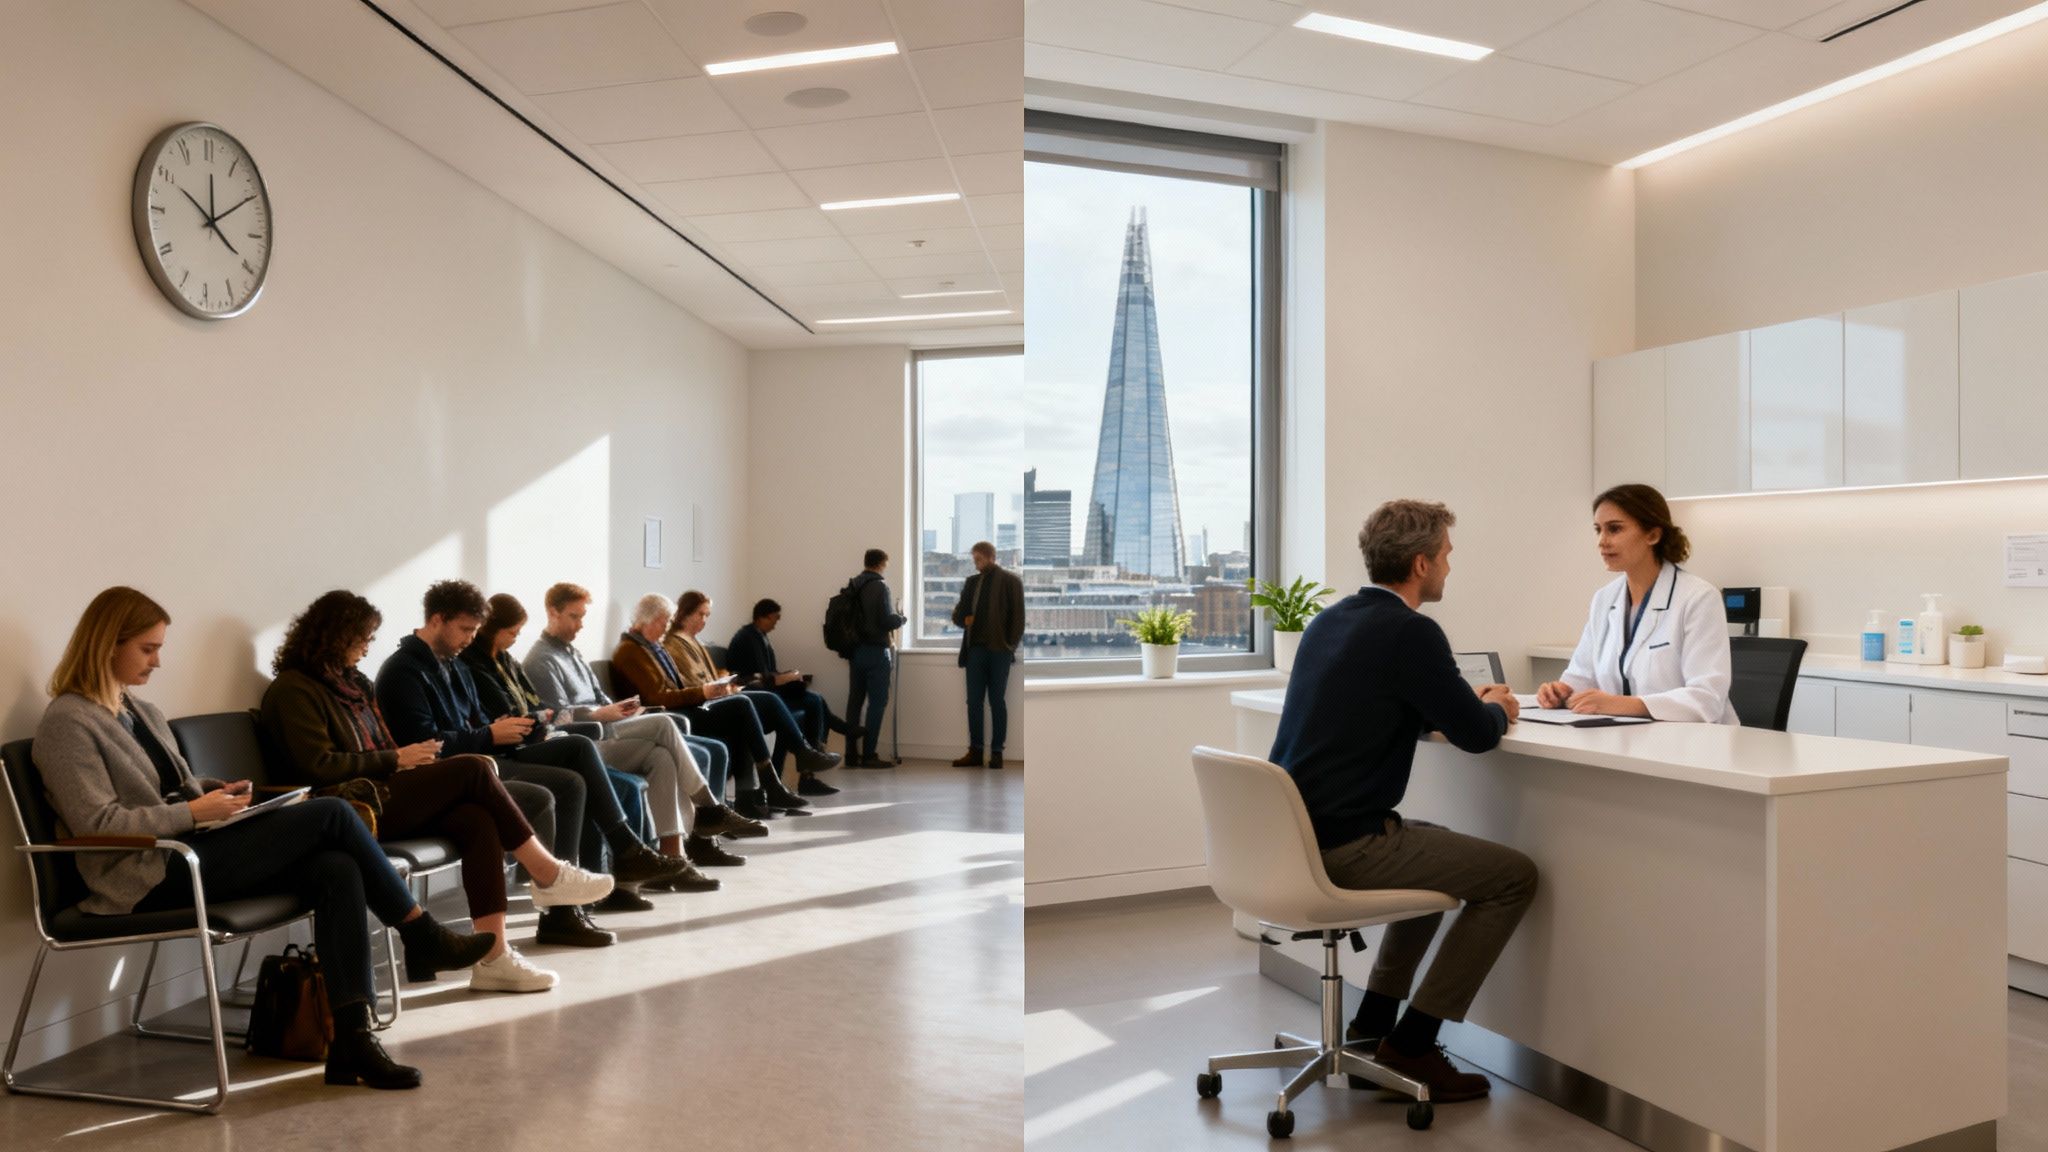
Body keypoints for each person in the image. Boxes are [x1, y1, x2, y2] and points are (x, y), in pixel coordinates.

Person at [35, 587, 499, 1089]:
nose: (158, 661)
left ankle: (353, 1042)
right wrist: (193, 812)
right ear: (107, 644)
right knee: (333, 814)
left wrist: (215, 793)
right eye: (148, 649)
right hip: (145, 874)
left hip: (190, 847)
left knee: (337, 869)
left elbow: (173, 790)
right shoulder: (68, 722)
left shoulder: (138, 710)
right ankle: (419, 932)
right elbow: (97, 826)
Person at [1268, 501, 1536, 1104]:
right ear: (1421, 563)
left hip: (1294, 840)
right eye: (1446, 557)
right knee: (1514, 877)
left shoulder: (1329, 621)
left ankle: (1371, 1028)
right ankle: (1415, 1043)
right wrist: (1498, 706)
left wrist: (1449, 703)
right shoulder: (1412, 631)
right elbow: (1476, 734)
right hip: (1345, 847)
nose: (1448, 568)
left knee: (1433, 851)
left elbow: (1374, 705)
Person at [260, 590, 617, 991]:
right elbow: (318, 766)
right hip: (350, 806)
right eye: (361, 640)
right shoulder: (294, 690)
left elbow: (383, 747)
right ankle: (547, 873)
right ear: (333, 637)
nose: (365, 650)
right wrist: (397, 759)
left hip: (379, 788)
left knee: (477, 818)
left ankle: (495, 957)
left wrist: (407, 759)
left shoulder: (353, 684)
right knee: (471, 768)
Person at [376, 580, 697, 949]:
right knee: (560, 787)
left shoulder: (452, 664)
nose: (469, 639)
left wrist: (524, 728)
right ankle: (565, 908)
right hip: (459, 770)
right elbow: (428, 746)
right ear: (436, 620)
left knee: (577, 748)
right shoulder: (403, 672)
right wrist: (491, 735)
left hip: (485, 755)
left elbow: (480, 719)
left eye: (474, 631)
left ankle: (620, 854)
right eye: (465, 629)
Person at [505, 584, 761, 871]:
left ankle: (675, 859)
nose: (580, 625)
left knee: (661, 757)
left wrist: (621, 708)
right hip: (589, 741)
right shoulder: (541, 660)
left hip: (609, 726)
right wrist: (601, 713)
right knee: (665, 723)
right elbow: (557, 720)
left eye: (582, 617)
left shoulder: (573, 653)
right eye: (574, 617)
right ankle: (708, 807)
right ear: (552, 612)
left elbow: (601, 696)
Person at [1537, 484, 1735, 724]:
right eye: (1598, 530)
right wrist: (1560, 692)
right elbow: (1582, 677)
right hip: (1628, 739)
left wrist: (1622, 704)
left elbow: (1706, 699)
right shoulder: (1604, 599)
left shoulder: (1699, 597)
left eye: (1614, 529)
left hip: (1697, 745)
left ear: (1653, 534)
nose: (1602, 541)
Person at [610, 594, 814, 821]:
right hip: (670, 716)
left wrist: (718, 684)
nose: (668, 627)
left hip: (684, 709)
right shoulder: (631, 651)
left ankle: (749, 798)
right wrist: (704, 692)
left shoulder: (653, 647)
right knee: (743, 706)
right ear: (649, 619)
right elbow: (657, 697)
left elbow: (682, 683)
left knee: (746, 713)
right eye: (665, 621)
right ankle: (767, 785)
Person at [662, 590, 842, 798]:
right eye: (701, 614)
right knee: (768, 702)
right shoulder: (675, 643)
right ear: (684, 613)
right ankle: (798, 760)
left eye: (707, 615)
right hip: (706, 704)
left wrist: (723, 679)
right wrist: (721, 685)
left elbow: (709, 675)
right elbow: (694, 682)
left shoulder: (693, 640)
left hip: (719, 696)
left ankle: (798, 766)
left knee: (805, 701)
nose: (704, 620)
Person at [726, 597, 862, 778]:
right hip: (759, 695)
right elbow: (760, 679)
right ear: (762, 617)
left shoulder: (758, 636)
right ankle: (814, 761)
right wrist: (788, 677)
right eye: (774, 618)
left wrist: (788, 676)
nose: (775, 624)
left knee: (815, 699)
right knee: (814, 701)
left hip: (765, 690)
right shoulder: (748, 638)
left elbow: (767, 673)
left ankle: (816, 756)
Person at [949, 541, 1024, 770]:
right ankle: (975, 751)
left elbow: (1018, 619)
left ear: (991, 556)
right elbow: (958, 615)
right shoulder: (972, 582)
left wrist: (1008, 646)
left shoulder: (1011, 581)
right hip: (975, 651)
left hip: (999, 651)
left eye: (979, 559)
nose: (976, 563)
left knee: (997, 702)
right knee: (973, 702)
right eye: (974, 559)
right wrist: (964, 620)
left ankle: (997, 753)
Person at [841, 549, 906, 767]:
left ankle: (851, 754)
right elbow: (887, 620)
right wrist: (901, 618)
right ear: (880, 564)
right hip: (876, 651)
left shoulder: (854, 584)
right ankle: (869, 754)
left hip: (855, 651)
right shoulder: (880, 586)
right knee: (877, 702)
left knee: (855, 701)